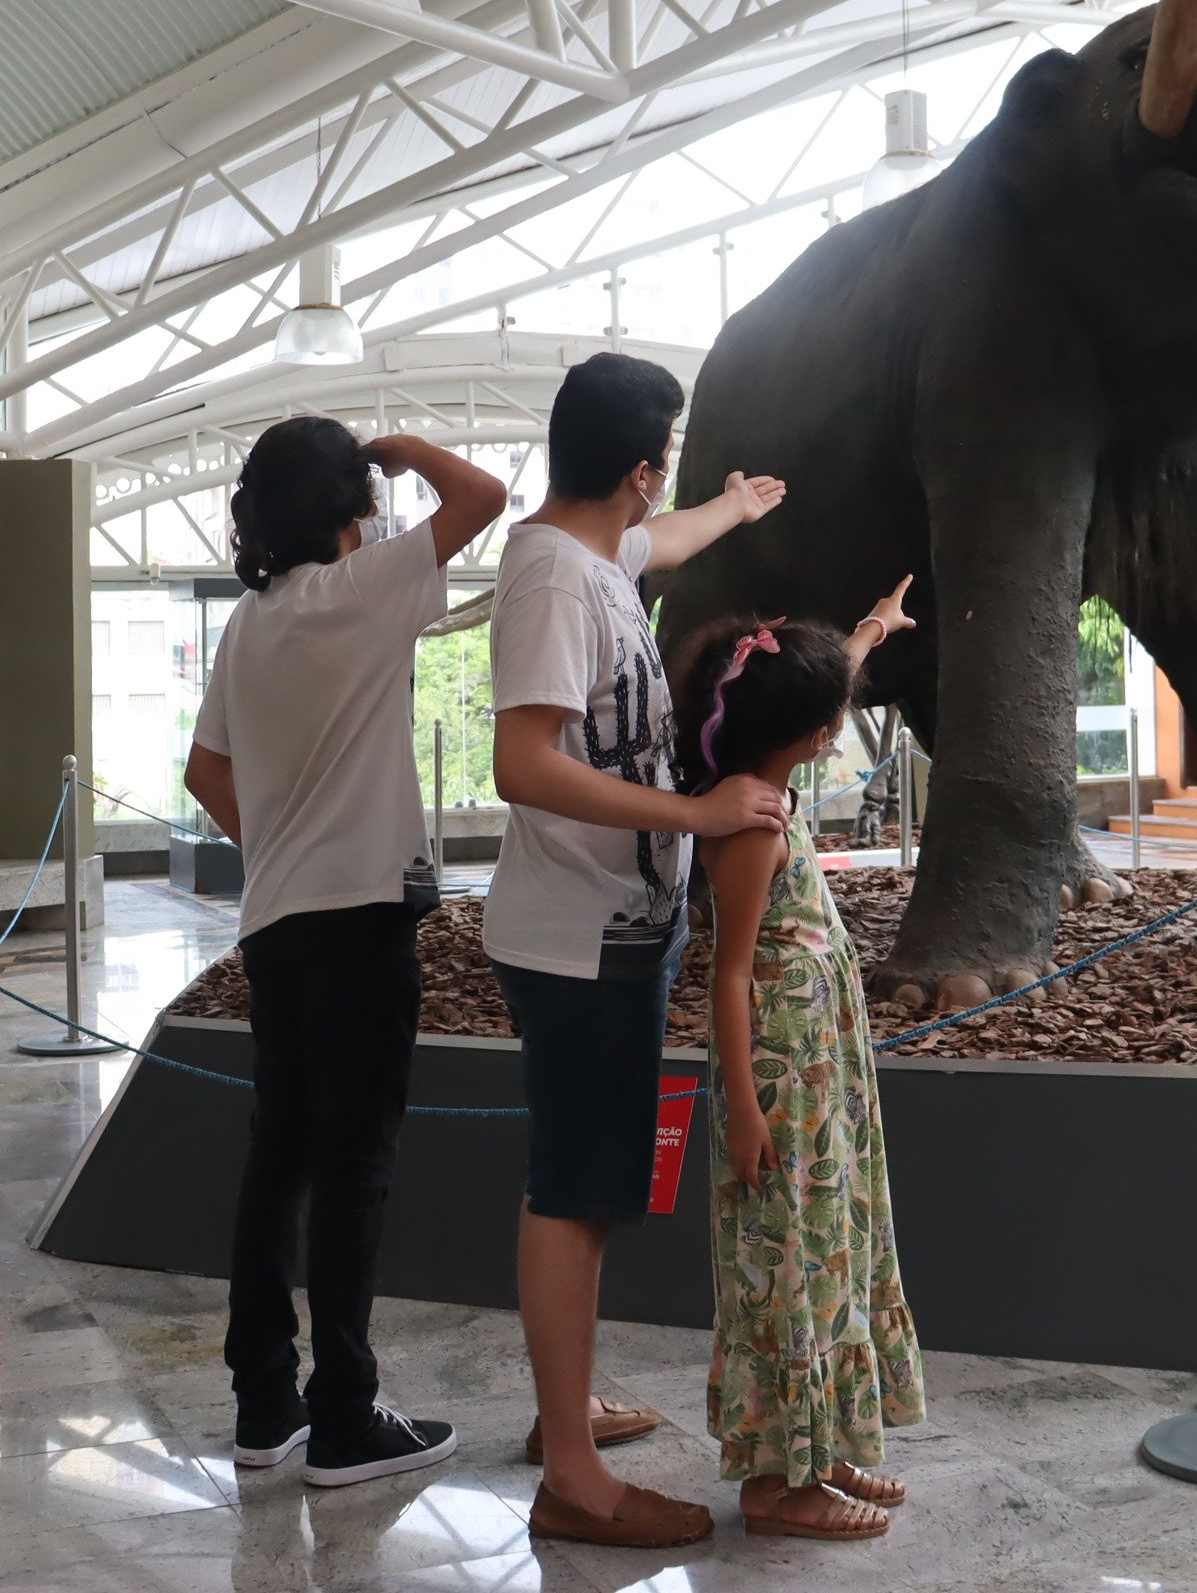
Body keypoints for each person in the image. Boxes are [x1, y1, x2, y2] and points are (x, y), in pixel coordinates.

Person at [484, 351, 789, 1549]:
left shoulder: (593, 546)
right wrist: (699, 817)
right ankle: (572, 1474)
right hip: (578, 943)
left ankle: (570, 1411)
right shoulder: (556, 582)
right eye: (666, 470)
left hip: (616, 932)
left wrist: (737, 506)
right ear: (638, 468)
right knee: (574, 1195)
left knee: (593, 1190)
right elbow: (526, 763)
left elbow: (660, 543)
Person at [182, 418, 504, 1486]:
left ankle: (264, 1406)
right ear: (348, 511)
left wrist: (273, 844)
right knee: (356, 1168)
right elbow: (487, 496)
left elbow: (203, 771)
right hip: (361, 919)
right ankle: (346, 1414)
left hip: (275, 922)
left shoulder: (252, 623)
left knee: (278, 1156)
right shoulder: (363, 592)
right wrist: (407, 448)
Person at [675, 591, 927, 1541]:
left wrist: (866, 631)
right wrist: (742, 1109)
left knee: (824, 1254)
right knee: (786, 1266)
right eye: (832, 716)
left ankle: (817, 1449)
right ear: (814, 734)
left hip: (818, 1070)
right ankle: (780, 1485)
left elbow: (813, 688)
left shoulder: (767, 778)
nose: (838, 726)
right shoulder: (750, 829)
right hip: (779, 1077)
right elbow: (728, 976)